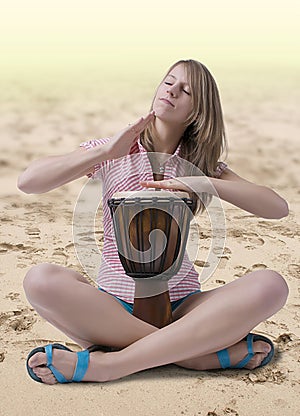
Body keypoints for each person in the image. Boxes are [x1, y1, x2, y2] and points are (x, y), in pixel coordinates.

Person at [18, 59, 289, 385]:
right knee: (40, 280)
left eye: (185, 90)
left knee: (271, 285)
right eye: (168, 82)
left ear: (198, 110)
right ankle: (194, 354)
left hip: (184, 307)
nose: (171, 91)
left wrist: (205, 183)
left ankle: (111, 363)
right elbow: (29, 181)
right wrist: (104, 152)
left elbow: (277, 208)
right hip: (115, 309)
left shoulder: (199, 163)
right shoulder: (114, 149)